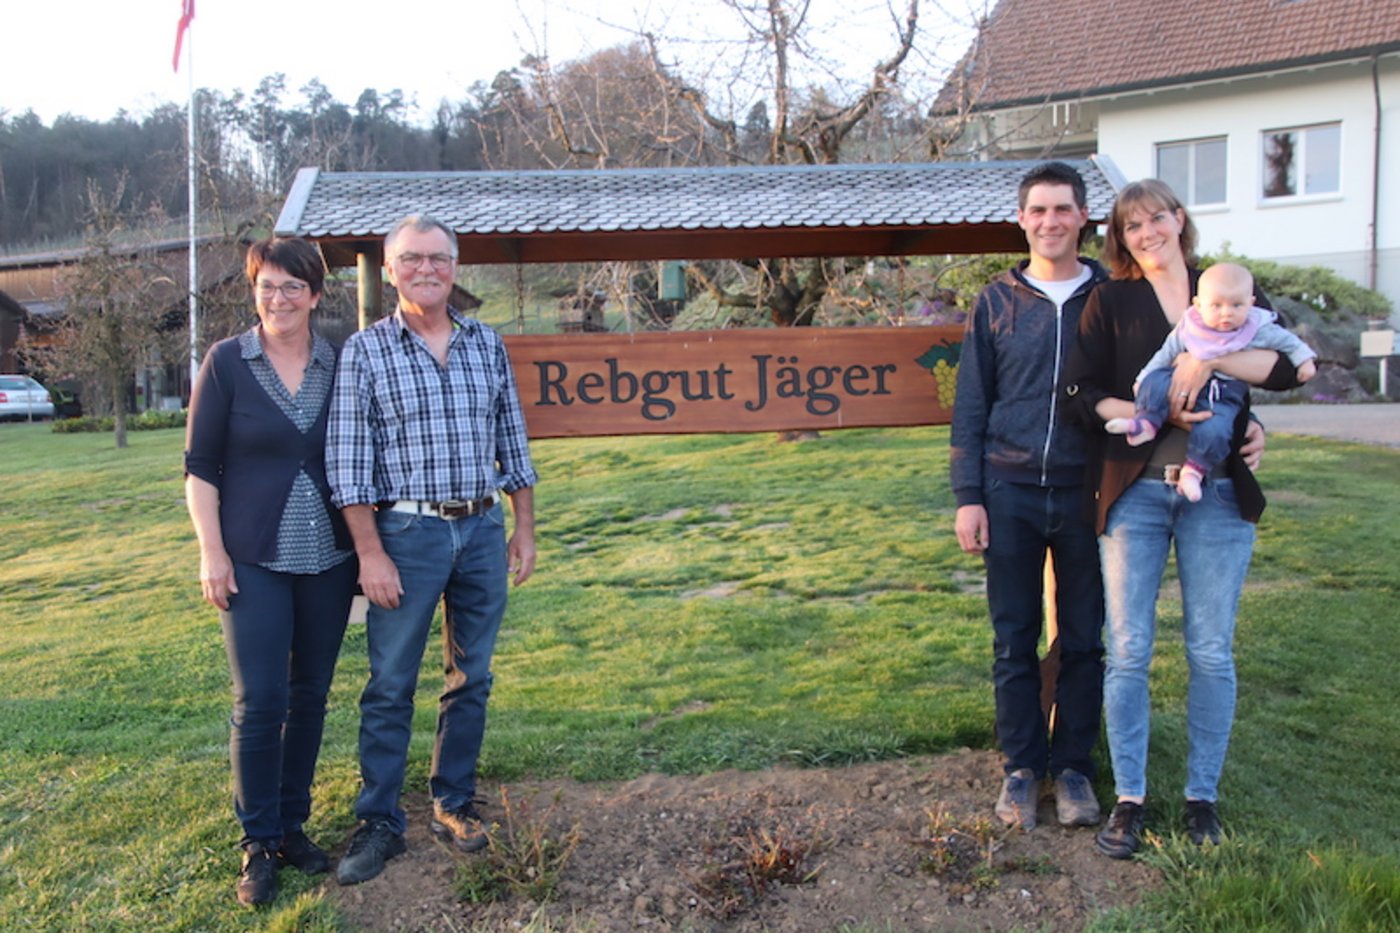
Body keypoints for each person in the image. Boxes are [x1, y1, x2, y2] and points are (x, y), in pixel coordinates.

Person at [1061, 179, 1301, 859]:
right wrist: (1149, 413)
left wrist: (1210, 356)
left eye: (1156, 217)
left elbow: (1285, 366)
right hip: (1135, 490)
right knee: (1131, 648)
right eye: (1132, 225)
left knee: (1210, 649)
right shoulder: (1110, 299)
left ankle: (1202, 797)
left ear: (1179, 219)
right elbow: (1080, 394)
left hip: (1219, 495)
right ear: (1121, 237)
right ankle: (1130, 797)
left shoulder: (1224, 286)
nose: (1147, 232)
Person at [326, 214, 538, 886]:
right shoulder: (366, 351)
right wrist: (369, 553)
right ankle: (380, 820)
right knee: (390, 683)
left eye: (439, 258)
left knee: (470, 676)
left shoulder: (485, 344)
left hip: (478, 531)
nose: (427, 269)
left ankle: (453, 801)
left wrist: (522, 527)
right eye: (412, 259)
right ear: (389, 270)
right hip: (406, 536)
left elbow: (515, 442)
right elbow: (349, 462)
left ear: (455, 266)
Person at [184, 237, 357, 907]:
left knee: (309, 691)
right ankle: (257, 842)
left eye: (292, 286)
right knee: (261, 700)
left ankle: (292, 825)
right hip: (251, 555)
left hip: (329, 558)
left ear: (315, 294)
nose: (278, 298)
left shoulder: (340, 360)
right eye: (267, 286)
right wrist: (211, 551)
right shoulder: (227, 362)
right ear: (254, 291)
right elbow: (200, 467)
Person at [949, 161, 1107, 831]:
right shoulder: (996, 300)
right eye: (1038, 210)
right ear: (1022, 219)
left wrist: (1249, 422)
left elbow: (1213, 331)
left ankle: (1072, 768)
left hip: (1089, 492)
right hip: (1007, 487)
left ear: (1082, 217)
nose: (1050, 221)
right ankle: (1020, 767)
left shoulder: (1114, 294)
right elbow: (972, 402)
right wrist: (968, 494)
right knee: (1013, 637)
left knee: (1083, 639)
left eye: (1062, 209)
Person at [1106, 262, 1316, 501]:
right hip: (1177, 386)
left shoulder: (1257, 328)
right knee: (1155, 380)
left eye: (1236, 305)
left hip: (1222, 393)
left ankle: (1195, 470)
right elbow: (1166, 353)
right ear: (1198, 304)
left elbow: (1289, 344)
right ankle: (1145, 421)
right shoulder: (1191, 325)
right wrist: (1143, 379)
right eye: (1216, 306)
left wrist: (1305, 361)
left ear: (1251, 303)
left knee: (1216, 428)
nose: (1226, 313)